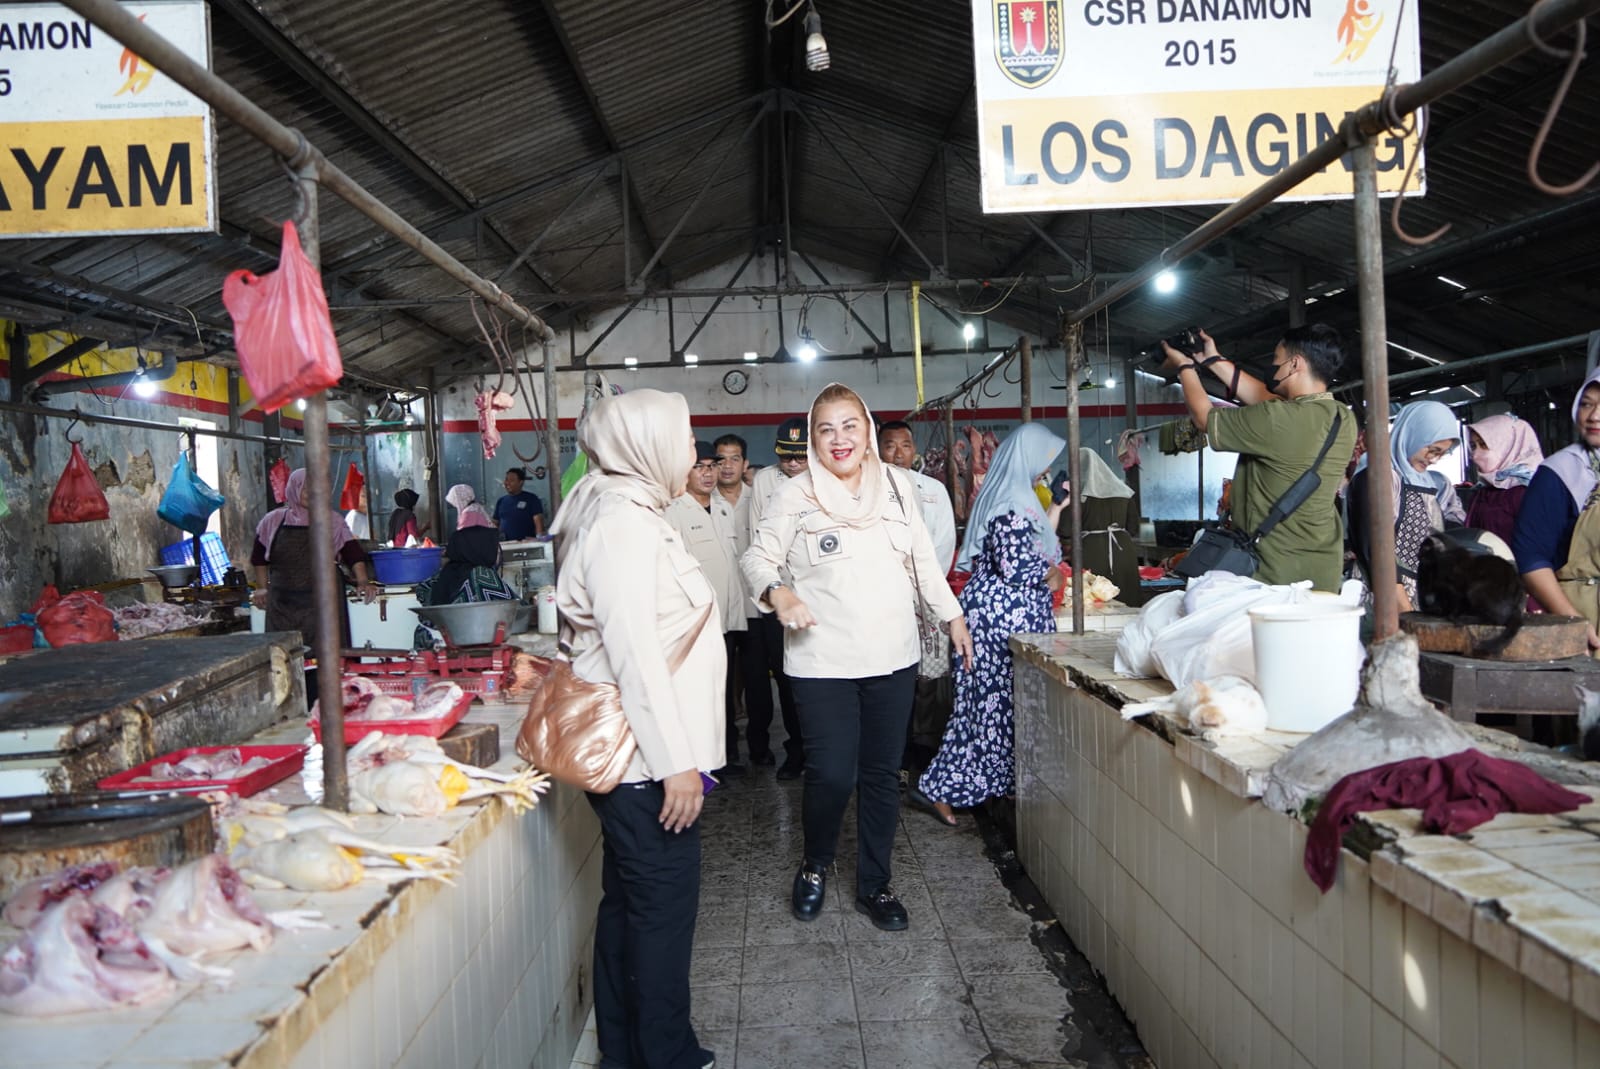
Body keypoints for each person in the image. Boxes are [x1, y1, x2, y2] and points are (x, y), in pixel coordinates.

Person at [743, 384, 973, 932]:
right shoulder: (794, 495)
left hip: (892, 656)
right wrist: (779, 593)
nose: (839, 438)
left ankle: (875, 883)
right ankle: (816, 863)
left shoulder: (896, 487)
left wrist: (952, 614)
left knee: (879, 774)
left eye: (849, 426)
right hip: (822, 659)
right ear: (814, 437)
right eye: (826, 429)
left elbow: (920, 557)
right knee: (830, 774)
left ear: (867, 429)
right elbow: (757, 556)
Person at [549, 389, 724, 1069]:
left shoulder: (627, 508)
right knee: (661, 913)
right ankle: (668, 1056)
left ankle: (624, 1050)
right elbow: (636, 656)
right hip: (642, 764)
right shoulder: (621, 523)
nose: (691, 452)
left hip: (636, 757)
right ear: (647, 444)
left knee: (628, 904)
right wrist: (676, 762)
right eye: (683, 438)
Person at [913, 424, 1067, 825]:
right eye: (1043, 460)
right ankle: (940, 789)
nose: (1045, 469)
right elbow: (1018, 568)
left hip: (999, 615)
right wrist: (1051, 575)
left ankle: (990, 786)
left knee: (994, 708)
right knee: (984, 709)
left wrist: (1057, 510)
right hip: (1000, 620)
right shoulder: (1013, 503)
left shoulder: (1015, 498)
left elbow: (1029, 547)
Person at [1163, 323, 1356, 591]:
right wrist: (1211, 360)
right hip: (1322, 566)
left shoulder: (1277, 420)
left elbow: (1203, 418)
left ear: (1294, 364)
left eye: (1276, 361)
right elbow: (1265, 400)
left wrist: (1185, 367)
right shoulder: (1341, 416)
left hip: (1275, 572)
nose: (1272, 367)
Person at [878, 418, 959, 778]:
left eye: (905, 445)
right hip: (884, 600)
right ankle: (891, 754)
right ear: (877, 449)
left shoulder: (933, 489)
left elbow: (943, 542)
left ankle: (924, 753)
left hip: (927, 598)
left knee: (929, 678)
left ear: (915, 450)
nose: (898, 453)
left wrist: (922, 590)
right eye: (890, 445)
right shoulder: (868, 490)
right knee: (891, 676)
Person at [666, 441, 748, 776]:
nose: (708, 473)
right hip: (695, 622)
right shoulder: (673, 511)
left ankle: (725, 756)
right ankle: (698, 762)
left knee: (724, 690)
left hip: (726, 618)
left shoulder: (722, 507)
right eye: (699, 466)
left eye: (711, 466)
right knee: (700, 693)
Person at [741, 418, 809, 778]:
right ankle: (795, 751)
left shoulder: (827, 480)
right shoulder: (766, 480)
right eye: (788, 458)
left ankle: (818, 749)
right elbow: (757, 539)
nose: (794, 464)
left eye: (801, 457)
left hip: (815, 596)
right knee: (785, 675)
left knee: (815, 677)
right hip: (777, 595)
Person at [1347, 400, 1464, 610]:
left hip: (1419, 597)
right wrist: (1404, 609)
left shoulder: (1428, 482)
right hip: (1384, 598)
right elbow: (1374, 549)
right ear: (1413, 434)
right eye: (1432, 450)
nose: (1434, 460)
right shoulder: (1376, 477)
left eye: (1441, 454)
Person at [1516, 366, 1600, 654]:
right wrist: (1574, 621)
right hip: (1587, 612)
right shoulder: (1560, 472)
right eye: (1587, 404)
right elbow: (1530, 557)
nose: (1594, 416)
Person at [250, 468, 377, 647]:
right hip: (283, 604)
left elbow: (352, 553)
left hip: (325, 602)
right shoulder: (273, 520)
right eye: (305, 488)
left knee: (328, 659)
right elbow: (259, 558)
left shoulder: (332, 520)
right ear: (294, 489)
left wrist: (363, 581)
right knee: (284, 658)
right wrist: (262, 589)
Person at [1465, 413, 1543, 546]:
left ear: (1510, 446)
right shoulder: (1484, 491)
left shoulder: (1528, 493)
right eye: (1473, 446)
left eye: (1484, 445)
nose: (1475, 455)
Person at [493, 467, 546, 540]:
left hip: (526, 545)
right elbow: (495, 524)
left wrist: (539, 541)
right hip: (505, 545)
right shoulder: (501, 501)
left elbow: (538, 522)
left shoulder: (532, 499)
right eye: (506, 480)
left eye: (511, 480)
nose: (507, 483)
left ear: (521, 482)